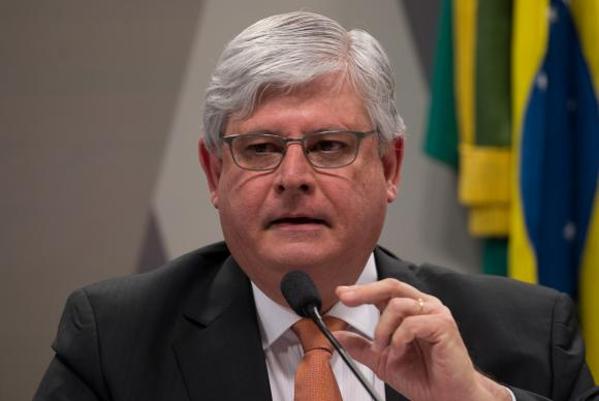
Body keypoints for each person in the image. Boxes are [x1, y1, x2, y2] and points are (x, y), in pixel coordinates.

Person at [34, 11, 598, 401]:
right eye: (260, 149)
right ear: (214, 173)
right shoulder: (114, 341)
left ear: (389, 166)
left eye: (329, 146)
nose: (293, 178)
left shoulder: (529, 334)